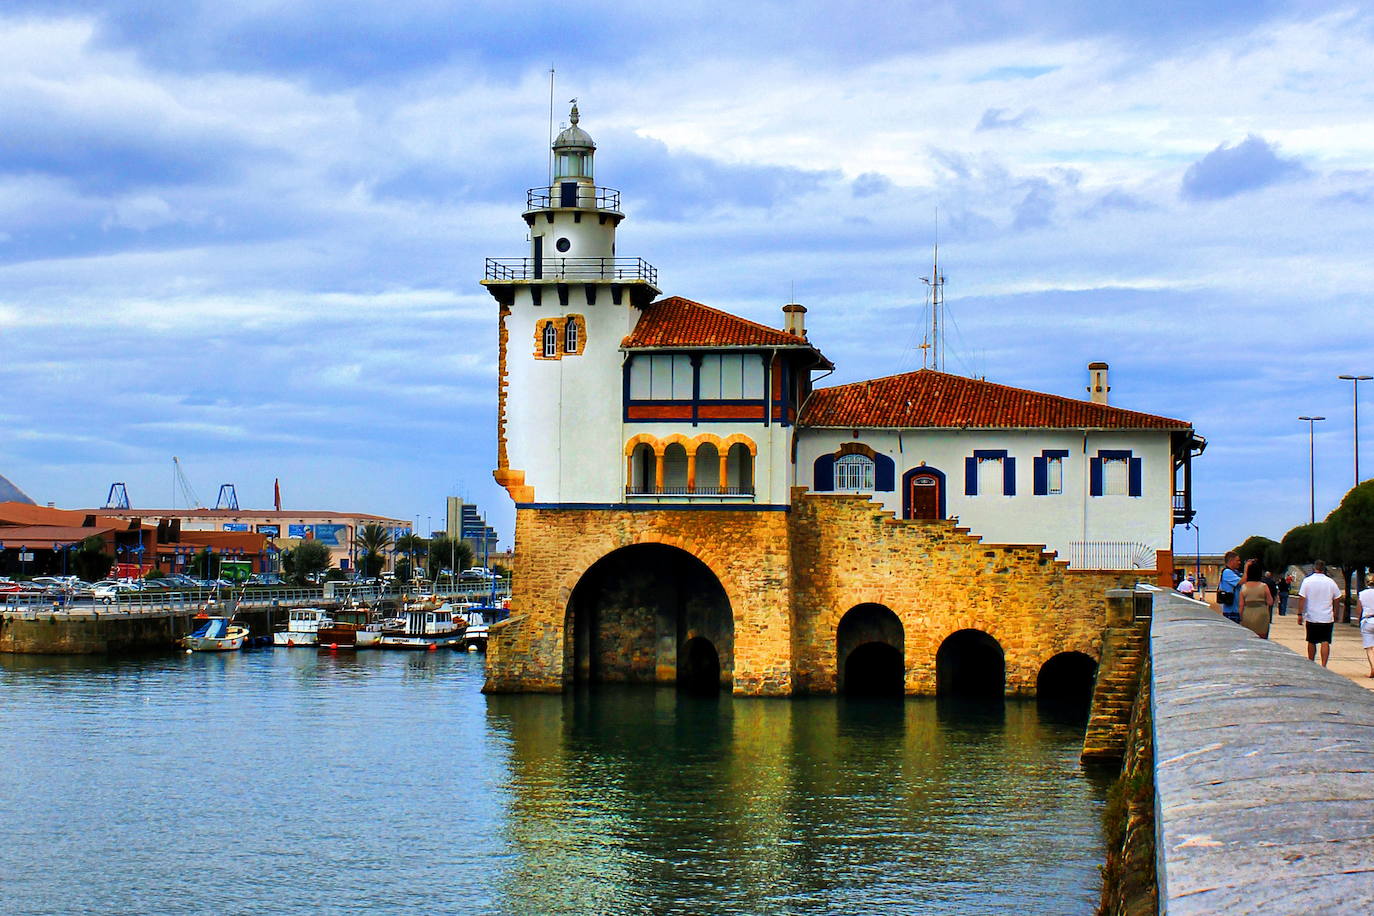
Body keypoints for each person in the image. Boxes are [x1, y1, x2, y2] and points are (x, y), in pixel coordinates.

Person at [1298, 559, 1342, 667]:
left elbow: (1302, 598)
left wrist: (1300, 614)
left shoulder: (1307, 581)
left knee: (1311, 640)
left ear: (1314, 568)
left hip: (1312, 616)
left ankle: (1311, 663)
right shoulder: (1330, 582)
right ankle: (1324, 665)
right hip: (1326, 617)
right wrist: (1335, 613)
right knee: (1325, 641)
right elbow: (1337, 598)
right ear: (1324, 569)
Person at [1238, 559, 1274, 638]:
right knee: (1262, 638)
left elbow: (1241, 605)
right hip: (1262, 614)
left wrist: (1240, 618)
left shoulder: (1243, 587)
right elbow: (1270, 602)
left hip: (1247, 615)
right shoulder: (1264, 586)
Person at [1217, 551, 1242, 623]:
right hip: (1231, 611)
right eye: (1237, 560)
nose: (1239, 562)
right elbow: (1242, 582)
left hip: (1234, 610)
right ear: (1231, 561)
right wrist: (1247, 568)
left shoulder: (1234, 572)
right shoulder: (1227, 572)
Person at [1360, 581, 1374, 679]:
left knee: (1369, 648)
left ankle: (1373, 667)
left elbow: (1358, 610)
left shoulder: (1362, 594)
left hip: (1368, 621)